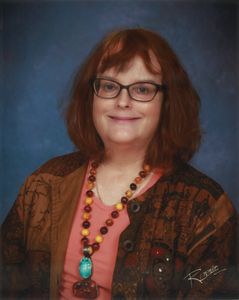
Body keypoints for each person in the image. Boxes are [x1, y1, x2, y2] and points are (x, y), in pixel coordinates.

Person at [1, 28, 238, 300]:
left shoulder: (206, 208)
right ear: (91, 96)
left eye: (142, 89)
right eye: (110, 86)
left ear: (168, 102)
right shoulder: (43, 184)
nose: (122, 101)